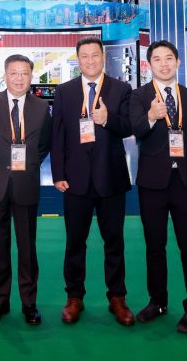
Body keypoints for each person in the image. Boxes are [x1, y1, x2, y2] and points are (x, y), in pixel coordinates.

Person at [51, 36, 135, 326]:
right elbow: (58, 134)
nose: (90, 61)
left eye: (95, 55)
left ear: (103, 57)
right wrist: (58, 173)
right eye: (84, 56)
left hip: (111, 177)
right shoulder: (64, 91)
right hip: (75, 180)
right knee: (75, 241)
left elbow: (128, 127)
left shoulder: (121, 89)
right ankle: (74, 297)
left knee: (114, 241)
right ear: (78, 60)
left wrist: (108, 119)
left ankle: (117, 297)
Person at [128, 40, 187, 333]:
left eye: (169, 58)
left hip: (185, 181)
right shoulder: (139, 96)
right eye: (157, 59)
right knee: (154, 246)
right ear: (149, 65)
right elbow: (136, 130)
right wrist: (151, 116)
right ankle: (158, 301)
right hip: (152, 182)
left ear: (178, 62)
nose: (164, 64)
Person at [0, 54, 52, 326]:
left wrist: (29, 165)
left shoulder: (41, 107)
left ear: (31, 77)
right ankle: (0, 301)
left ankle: (29, 303)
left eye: (24, 74)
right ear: (5, 76)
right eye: (14, 73)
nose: (19, 79)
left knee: (27, 247)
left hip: (26, 185)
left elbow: (45, 144)